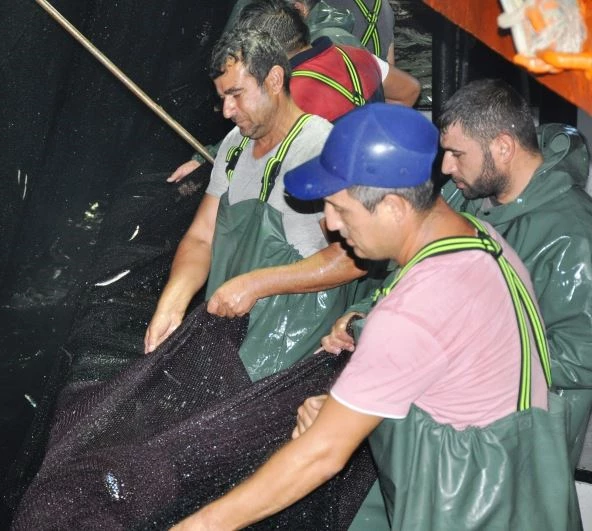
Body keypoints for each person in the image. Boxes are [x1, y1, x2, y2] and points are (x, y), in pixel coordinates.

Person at [171, 103, 580, 530]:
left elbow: (320, 456)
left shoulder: (414, 308)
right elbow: (460, 374)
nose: (331, 225)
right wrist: (349, 410)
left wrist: (199, 526)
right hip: (522, 489)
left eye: (340, 209)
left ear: (394, 207)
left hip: (466, 510)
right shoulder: (481, 240)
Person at [325, 78, 592, 530]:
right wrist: (367, 311)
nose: (446, 168)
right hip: (437, 421)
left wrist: (469, 351)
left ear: (503, 147)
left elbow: (583, 354)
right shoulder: (463, 194)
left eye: (456, 154)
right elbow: (413, 270)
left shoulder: (574, 234)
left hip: (516, 442)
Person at [144, 28, 364, 382]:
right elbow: (202, 236)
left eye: (236, 94)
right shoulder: (234, 146)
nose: (227, 110)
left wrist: (256, 284)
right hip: (230, 330)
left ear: (274, 80)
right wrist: (173, 301)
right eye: (222, 98)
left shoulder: (321, 150)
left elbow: (354, 260)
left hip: (293, 340)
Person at [168, 0, 419, 182]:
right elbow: (409, 90)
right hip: (384, 175)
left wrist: (202, 162)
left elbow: (247, 150)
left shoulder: (291, 97)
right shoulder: (354, 53)